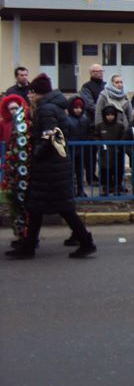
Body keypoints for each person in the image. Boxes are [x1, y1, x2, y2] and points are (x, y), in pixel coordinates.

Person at [6, 73, 96, 259]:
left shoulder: (47, 110)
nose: (30, 96)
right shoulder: (54, 107)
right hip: (54, 166)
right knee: (37, 208)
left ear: (39, 93)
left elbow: (49, 136)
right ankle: (29, 246)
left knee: (62, 209)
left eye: (32, 93)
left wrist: (36, 153)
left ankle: (86, 242)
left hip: (50, 167)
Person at [1, 94, 30, 244]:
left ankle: (26, 235)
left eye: (15, 108)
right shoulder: (4, 124)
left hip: (21, 168)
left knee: (22, 202)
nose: (13, 111)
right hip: (10, 165)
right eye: (10, 108)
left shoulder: (23, 123)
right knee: (12, 201)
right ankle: (20, 234)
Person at [64, 96, 93, 197]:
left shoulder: (85, 119)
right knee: (71, 172)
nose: (78, 110)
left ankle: (80, 190)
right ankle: (71, 191)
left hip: (82, 150)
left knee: (80, 172)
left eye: (80, 108)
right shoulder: (67, 120)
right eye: (76, 108)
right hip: (71, 150)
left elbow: (89, 132)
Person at [94, 104, 126, 195]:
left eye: (112, 115)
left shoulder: (119, 126)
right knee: (105, 169)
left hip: (117, 151)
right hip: (105, 152)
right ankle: (106, 187)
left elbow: (123, 136)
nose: (110, 117)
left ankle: (117, 186)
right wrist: (100, 144)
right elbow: (96, 136)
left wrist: (119, 145)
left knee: (117, 169)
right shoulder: (100, 126)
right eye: (108, 115)